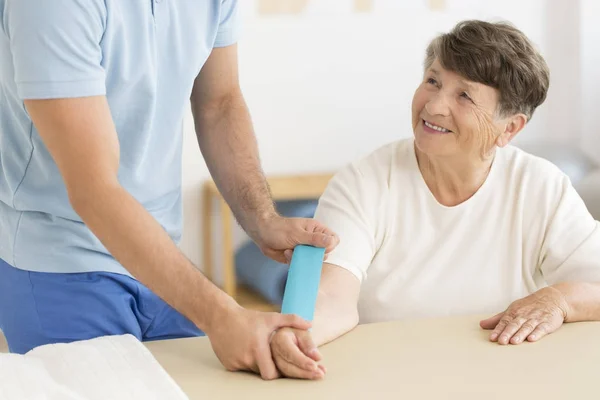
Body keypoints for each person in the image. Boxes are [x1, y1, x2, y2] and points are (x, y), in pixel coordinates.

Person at [0, 0, 338, 380]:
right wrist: (222, 315)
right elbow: (95, 191)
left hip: (160, 258)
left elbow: (219, 102)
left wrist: (262, 219)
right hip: (60, 264)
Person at [269, 20, 600, 380]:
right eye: (433, 81)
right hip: (387, 377)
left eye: (464, 96)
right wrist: (297, 337)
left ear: (509, 128)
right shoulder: (364, 181)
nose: (435, 105)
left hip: (504, 379)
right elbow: (332, 297)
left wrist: (560, 300)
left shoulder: (540, 186)